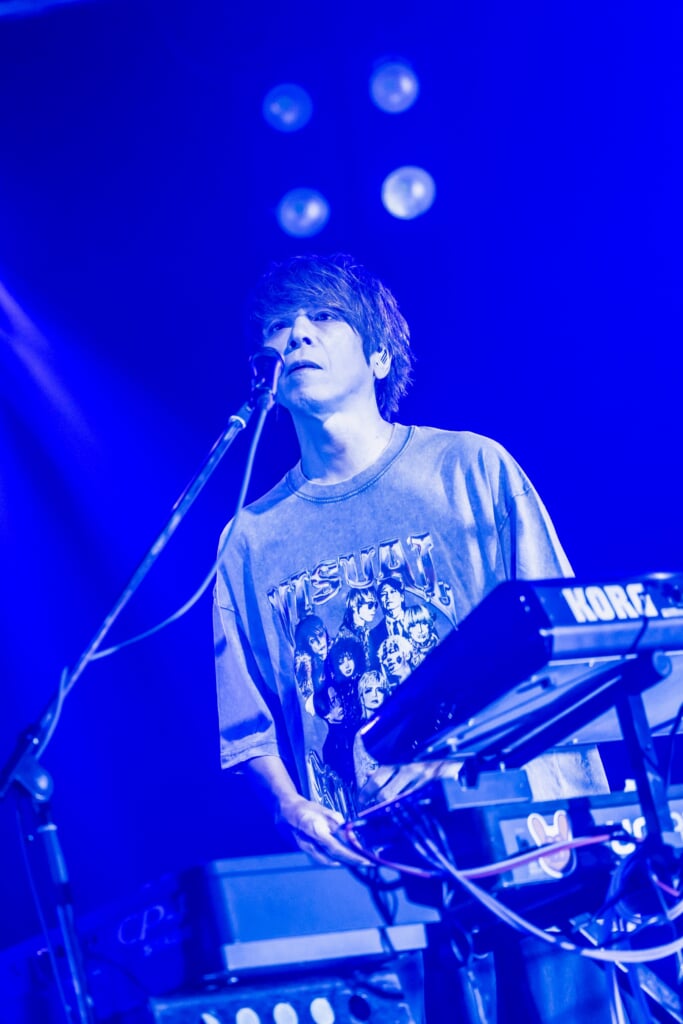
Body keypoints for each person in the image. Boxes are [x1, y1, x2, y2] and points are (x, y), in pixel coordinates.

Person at [213, 253, 610, 1020]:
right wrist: (288, 806)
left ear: (379, 356)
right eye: (278, 325)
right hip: (382, 869)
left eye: (323, 316)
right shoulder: (249, 539)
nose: (296, 334)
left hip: (528, 840)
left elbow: (568, 644)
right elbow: (246, 723)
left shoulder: (469, 467)